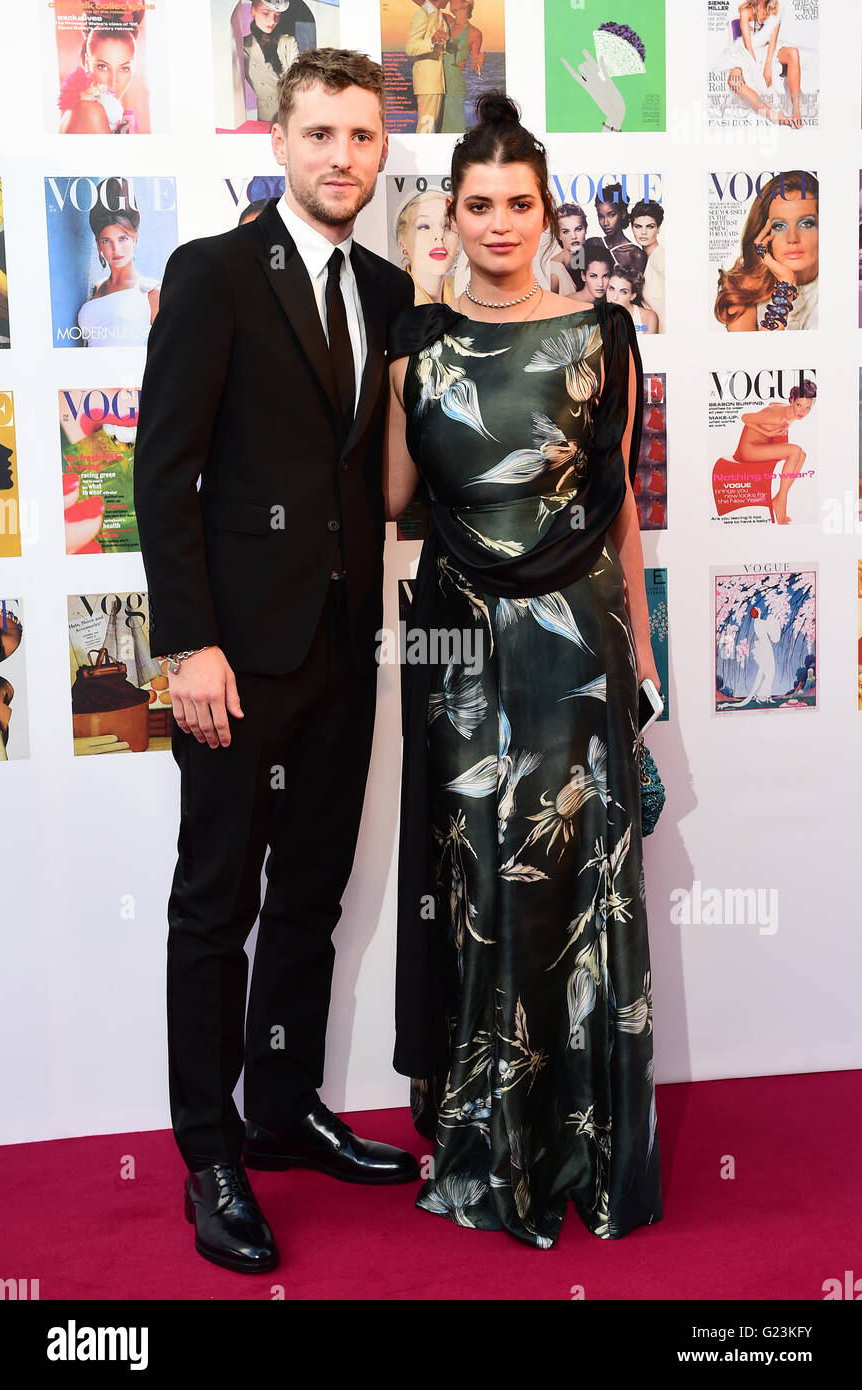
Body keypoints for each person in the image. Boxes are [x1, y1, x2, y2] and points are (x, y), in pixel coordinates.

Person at [133, 48, 418, 1276]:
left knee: (311, 895)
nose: (342, 157)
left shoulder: (395, 285)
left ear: (381, 153)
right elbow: (164, 472)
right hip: (236, 662)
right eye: (320, 136)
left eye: (361, 137)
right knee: (215, 905)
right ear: (280, 142)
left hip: (347, 652)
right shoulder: (212, 275)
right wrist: (188, 642)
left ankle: (283, 1107)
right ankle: (209, 1151)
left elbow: (378, 472)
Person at [384, 91, 663, 1247]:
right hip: (457, 649)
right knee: (478, 885)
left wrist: (641, 659)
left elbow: (622, 509)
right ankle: (484, 1142)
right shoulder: (414, 344)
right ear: (447, 215)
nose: (499, 224)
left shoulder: (604, 337)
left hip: (575, 648)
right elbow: (395, 503)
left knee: (567, 883)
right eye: (478, 205)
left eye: (519, 204)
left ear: (547, 214)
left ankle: (582, 1145)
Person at [714, 170, 818, 331]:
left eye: (806, 224)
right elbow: (755, 355)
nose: (792, 238)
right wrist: (786, 286)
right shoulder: (742, 293)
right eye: (779, 226)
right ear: (763, 234)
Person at [712, 378, 816, 525]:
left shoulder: (790, 410)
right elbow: (745, 417)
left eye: (807, 408)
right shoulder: (777, 417)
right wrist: (767, 433)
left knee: (802, 455)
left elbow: (772, 404)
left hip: (761, 446)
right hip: (748, 450)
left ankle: (779, 499)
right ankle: (781, 502)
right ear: (792, 400)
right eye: (799, 405)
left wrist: (784, 426)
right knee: (795, 451)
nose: (802, 412)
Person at [77, 178, 160, 348]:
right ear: (98, 243)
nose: (116, 249)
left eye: (123, 238)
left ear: (134, 238)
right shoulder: (98, 288)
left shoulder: (152, 293)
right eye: (107, 240)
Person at [712, 0, 802, 128]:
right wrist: (755, 70)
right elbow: (748, 46)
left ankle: (797, 112)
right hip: (746, 51)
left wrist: (767, 67)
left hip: (767, 50)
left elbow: (773, 42)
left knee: (793, 52)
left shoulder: (776, 11)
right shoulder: (745, 11)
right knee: (733, 81)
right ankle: (772, 114)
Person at [57, 7, 144, 134]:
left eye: (124, 68)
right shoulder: (90, 111)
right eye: (103, 67)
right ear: (87, 63)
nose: (113, 82)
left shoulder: (90, 109)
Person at [395, 188, 459, 305]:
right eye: (424, 226)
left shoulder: (465, 293)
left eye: (447, 226)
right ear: (402, 243)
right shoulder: (394, 301)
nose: (439, 236)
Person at [243, 0, 300, 124]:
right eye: (265, 13)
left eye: (277, 15)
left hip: (292, 112)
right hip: (267, 117)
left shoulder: (289, 42)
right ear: (253, 11)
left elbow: (297, 78)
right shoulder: (242, 47)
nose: (272, 20)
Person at [440, 0, 483, 134]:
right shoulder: (446, 20)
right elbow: (425, 5)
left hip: (454, 88)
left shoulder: (475, 33)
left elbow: (473, 68)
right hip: (438, 83)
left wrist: (479, 63)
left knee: (452, 130)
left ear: (466, 4)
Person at [406, 0, 449, 134]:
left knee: (430, 128)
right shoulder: (422, 14)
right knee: (426, 128)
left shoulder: (437, 15)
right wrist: (432, 40)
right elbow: (410, 48)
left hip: (436, 81)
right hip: (428, 82)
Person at [630, 199, 665, 331]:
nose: (643, 232)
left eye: (650, 226)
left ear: (658, 229)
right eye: (638, 226)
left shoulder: (660, 256)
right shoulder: (643, 259)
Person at [549, 201, 587, 296]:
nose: (573, 236)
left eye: (578, 229)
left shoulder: (593, 259)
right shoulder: (554, 271)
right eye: (566, 231)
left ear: (586, 229)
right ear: (559, 235)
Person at [606, 267, 658, 334]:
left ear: (632, 296)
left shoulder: (647, 316)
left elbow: (649, 344)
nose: (615, 297)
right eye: (611, 288)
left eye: (623, 292)